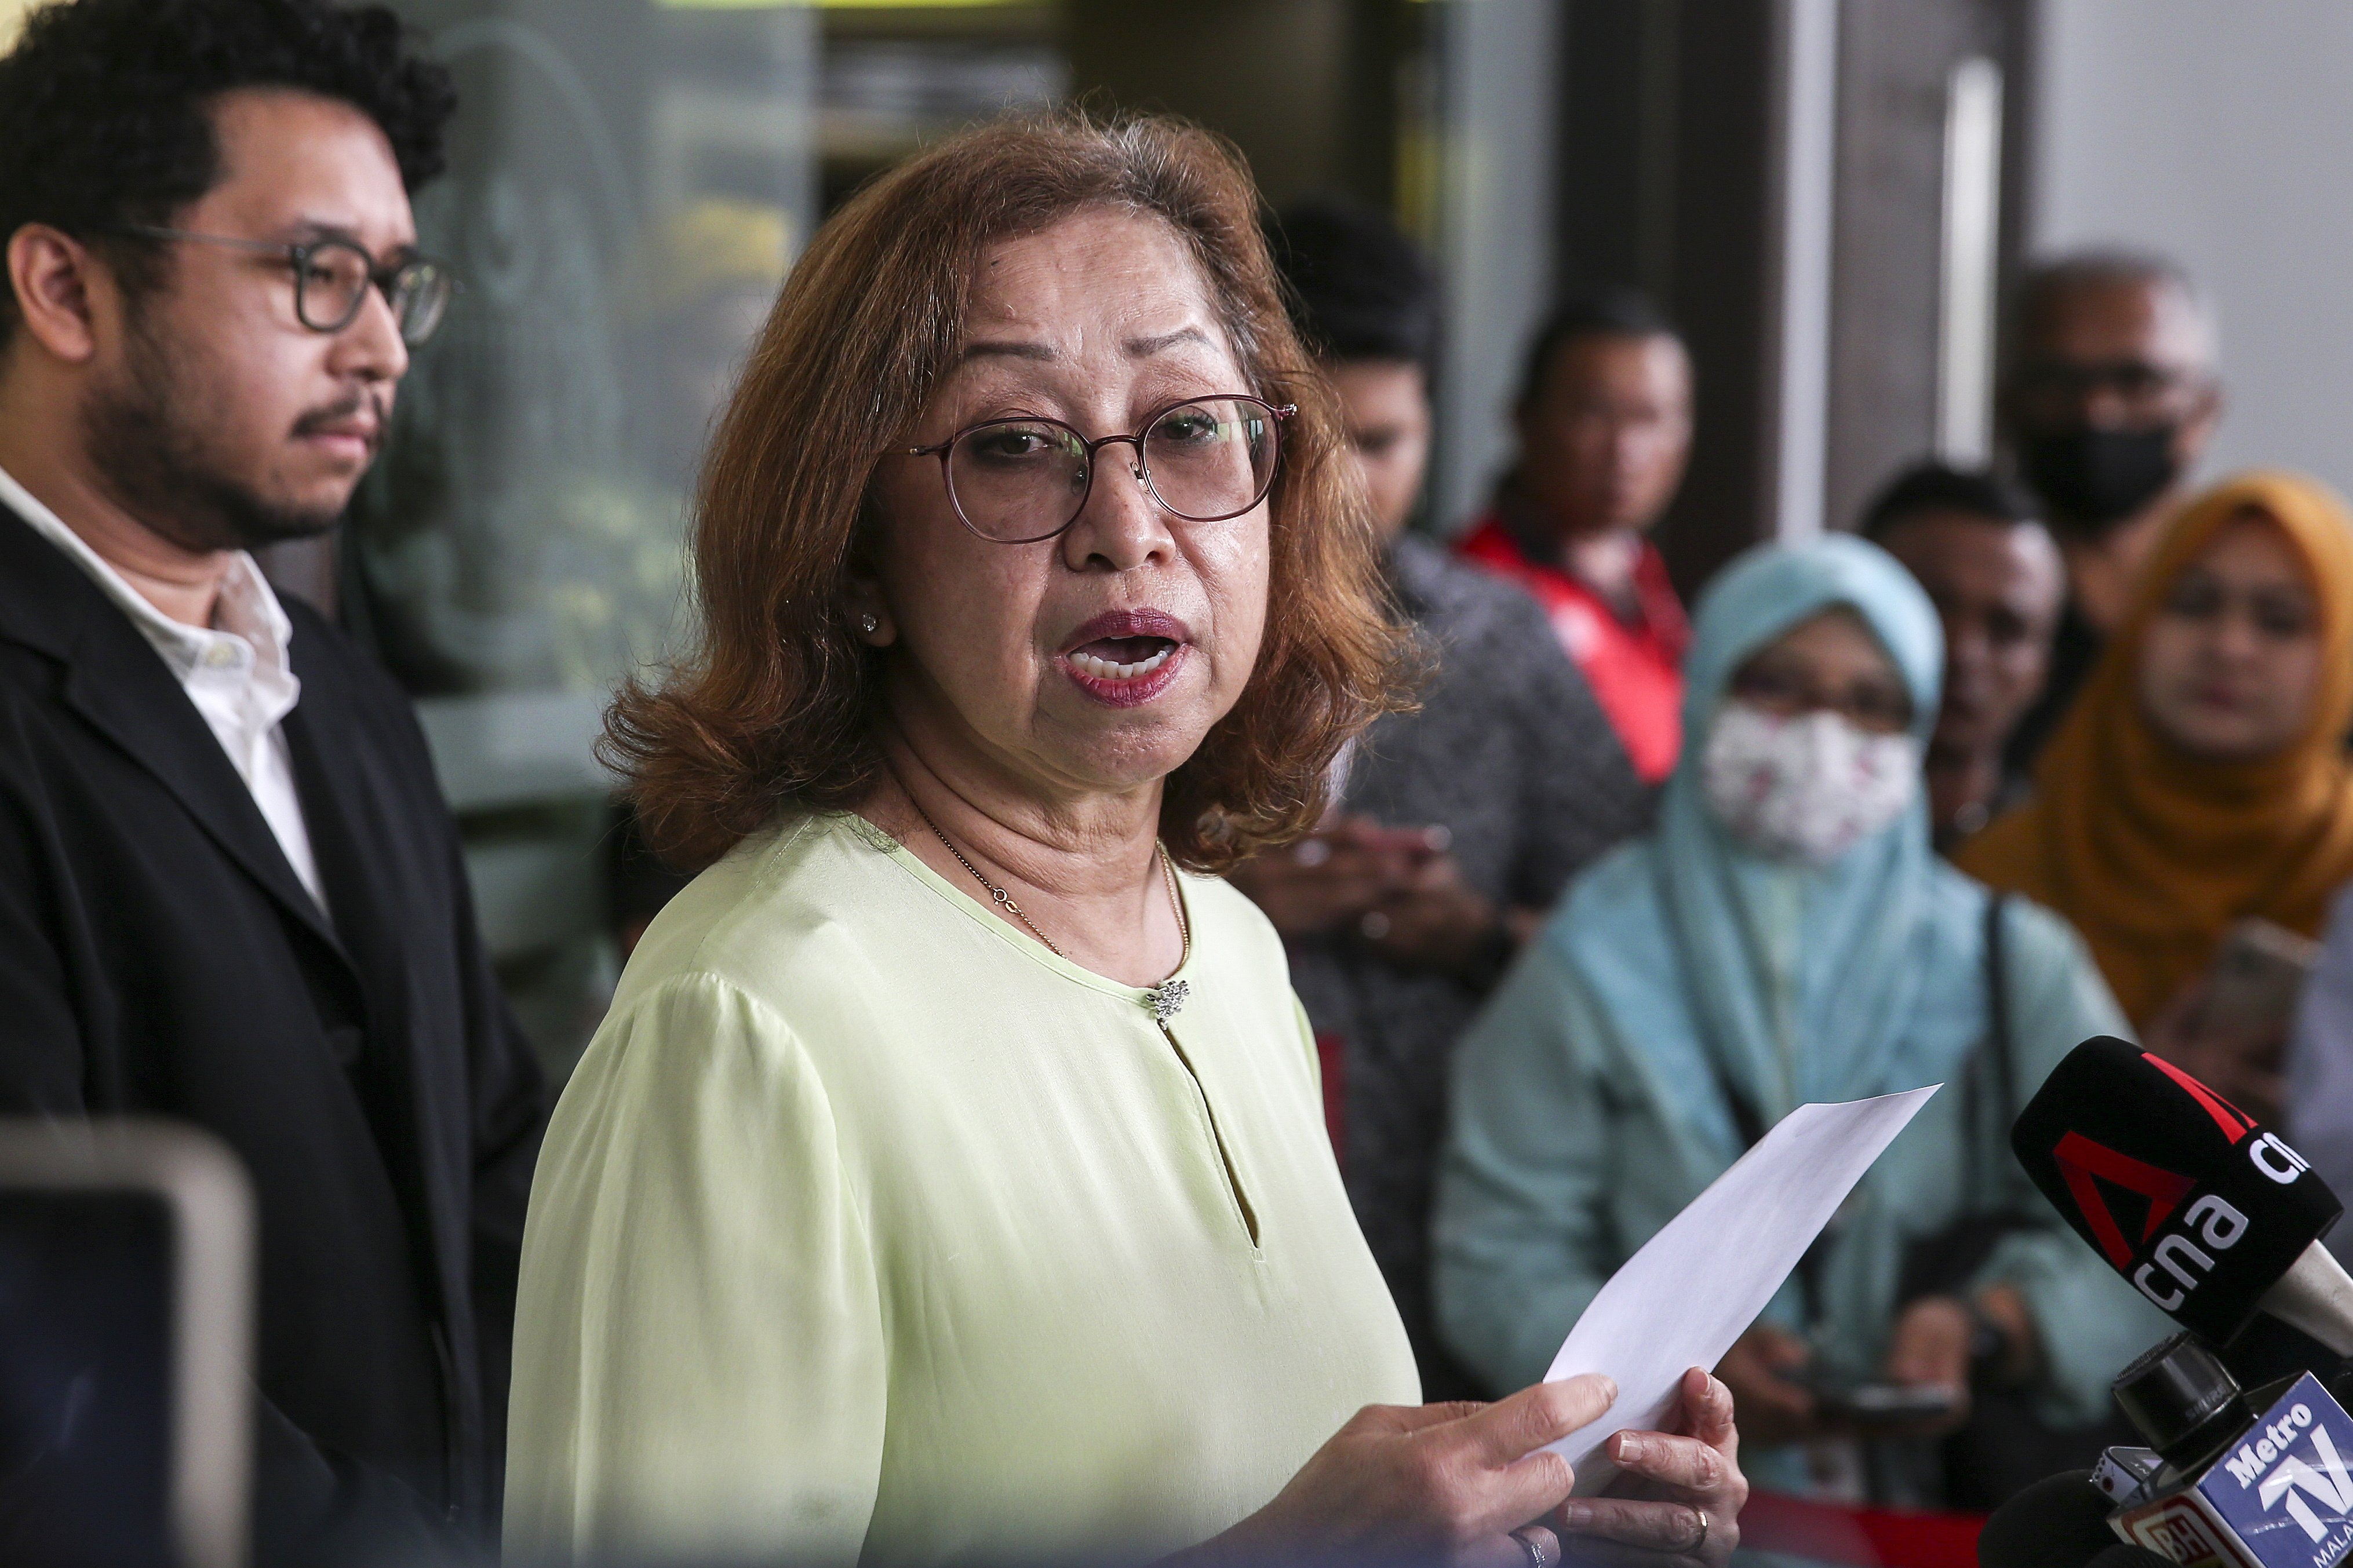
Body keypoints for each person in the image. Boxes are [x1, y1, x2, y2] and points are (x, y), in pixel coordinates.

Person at [504, 114, 1749, 1567]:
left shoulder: (1227, 945)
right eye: (1017, 447)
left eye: (1190, 428)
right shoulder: (750, 1020)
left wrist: (1537, 1526)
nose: (1127, 522)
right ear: (852, 559)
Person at [0, 0, 548, 1560]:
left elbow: (493, 1159)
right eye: (314, 273)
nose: (377, 343)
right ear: (65, 285)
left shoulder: (346, 699)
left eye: (392, 283)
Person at [1435, 534, 2160, 1506]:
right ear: (1705, 693)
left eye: (1872, 703)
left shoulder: (2010, 961)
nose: (1825, 732)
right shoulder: (1588, 958)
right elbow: (1498, 1256)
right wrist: (1666, 1374)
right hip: (1661, 1511)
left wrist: (1995, 1325)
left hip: (1948, 1512)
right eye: (1778, 684)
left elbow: (2142, 1220)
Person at [1232, 198, 1651, 1400]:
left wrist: (1474, 936)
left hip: (1448, 1230)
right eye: (1299, 441)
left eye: (1380, 443)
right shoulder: (1144, 636)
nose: (1342, 489)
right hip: (1186, 1207)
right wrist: (1213, 895)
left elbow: (1632, 938)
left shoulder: (1494, 641)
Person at [1958, 472, 2353, 1127]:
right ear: (2138, 622)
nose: (2229, 647)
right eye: (2193, 604)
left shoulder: (2344, 875)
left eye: (2280, 621)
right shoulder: (2001, 879)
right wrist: (2135, 1113)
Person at [1456, 292, 1694, 784]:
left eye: (1650, 418)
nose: (1625, 450)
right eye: (1593, 414)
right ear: (1523, 418)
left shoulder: (1640, 572)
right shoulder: (1476, 590)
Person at [2000, 251, 2223, 772]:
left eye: (2137, 382)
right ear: (2007, 405)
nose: (2096, 410)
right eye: (2058, 382)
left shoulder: (2266, 607)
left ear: (2203, 412)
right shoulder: (1967, 606)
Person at [1860, 464, 2065, 850]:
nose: (1962, 653)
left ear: (2042, 672)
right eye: (1928, 608)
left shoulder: (2062, 870)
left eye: (2006, 629)